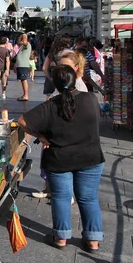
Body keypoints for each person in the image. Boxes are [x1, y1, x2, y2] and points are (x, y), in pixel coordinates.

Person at [19, 65, 105, 252]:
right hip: (90, 157)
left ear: (55, 84)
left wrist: (40, 136)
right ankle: (93, 241)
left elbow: (22, 122)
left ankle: (61, 238)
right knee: (89, 198)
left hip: (59, 159)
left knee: (61, 198)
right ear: (75, 80)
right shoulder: (91, 99)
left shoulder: (50, 106)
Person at [32, 49, 87, 201]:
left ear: (76, 67)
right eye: (60, 66)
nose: (61, 69)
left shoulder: (78, 86)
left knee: (65, 166)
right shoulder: (63, 82)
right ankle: (48, 189)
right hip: (52, 132)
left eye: (66, 66)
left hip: (65, 134)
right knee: (47, 163)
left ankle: (66, 194)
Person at [42, 35, 72, 101]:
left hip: (52, 78)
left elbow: (44, 68)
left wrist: (50, 79)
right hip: (65, 79)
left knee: (49, 100)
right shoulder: (69, 53)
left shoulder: (52, 52)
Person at [15, 33, 32, 101]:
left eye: (20, 39)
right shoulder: (22, 46)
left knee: (24, 80)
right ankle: (24, 94)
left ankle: (26, 95)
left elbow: (25, 39)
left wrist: (23, 35)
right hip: (21, 65)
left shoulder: (27, 44)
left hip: (23, 65)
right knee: (22, 80)